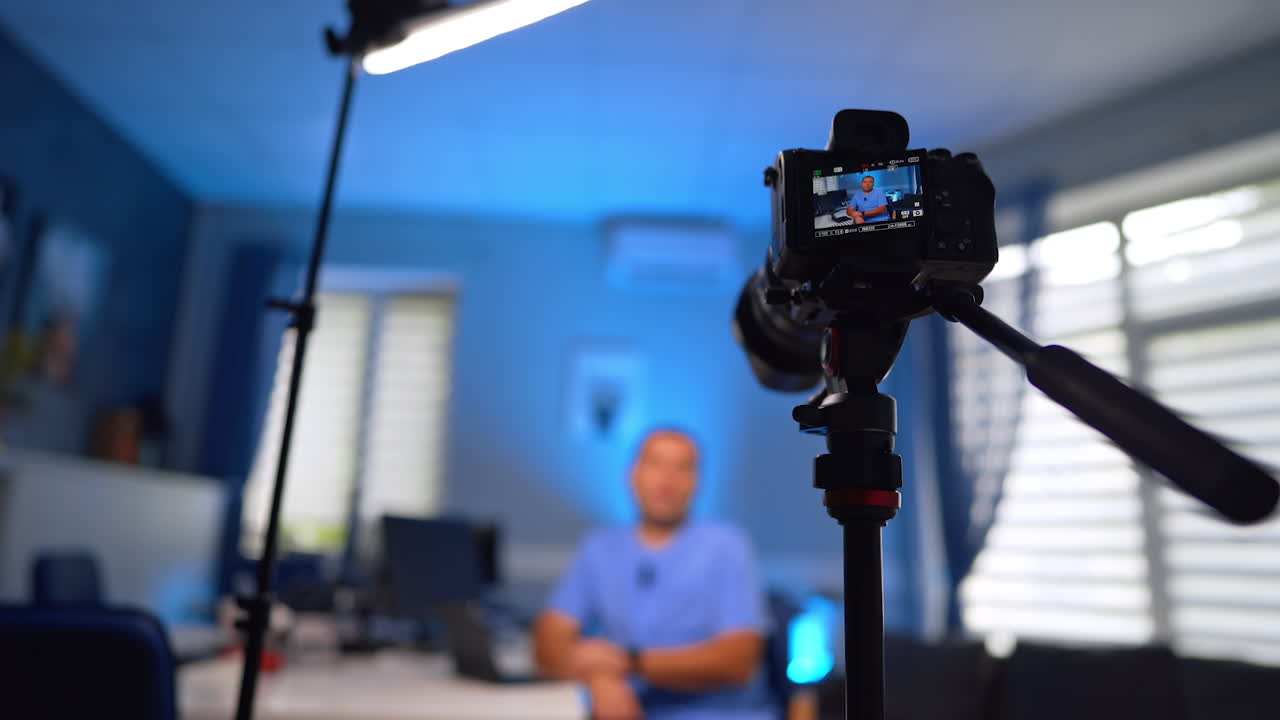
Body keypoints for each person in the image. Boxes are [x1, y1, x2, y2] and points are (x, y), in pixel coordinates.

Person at [533, 428, 772, 720]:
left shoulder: (727, 546)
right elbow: (548, 641)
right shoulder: (600, 547)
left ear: (696, 482)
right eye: (655, 464)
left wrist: (628, 662)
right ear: (632, 475)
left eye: (682, 468)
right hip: (628, 708)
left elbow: (738, 660)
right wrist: (599, 678)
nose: (667, 481)